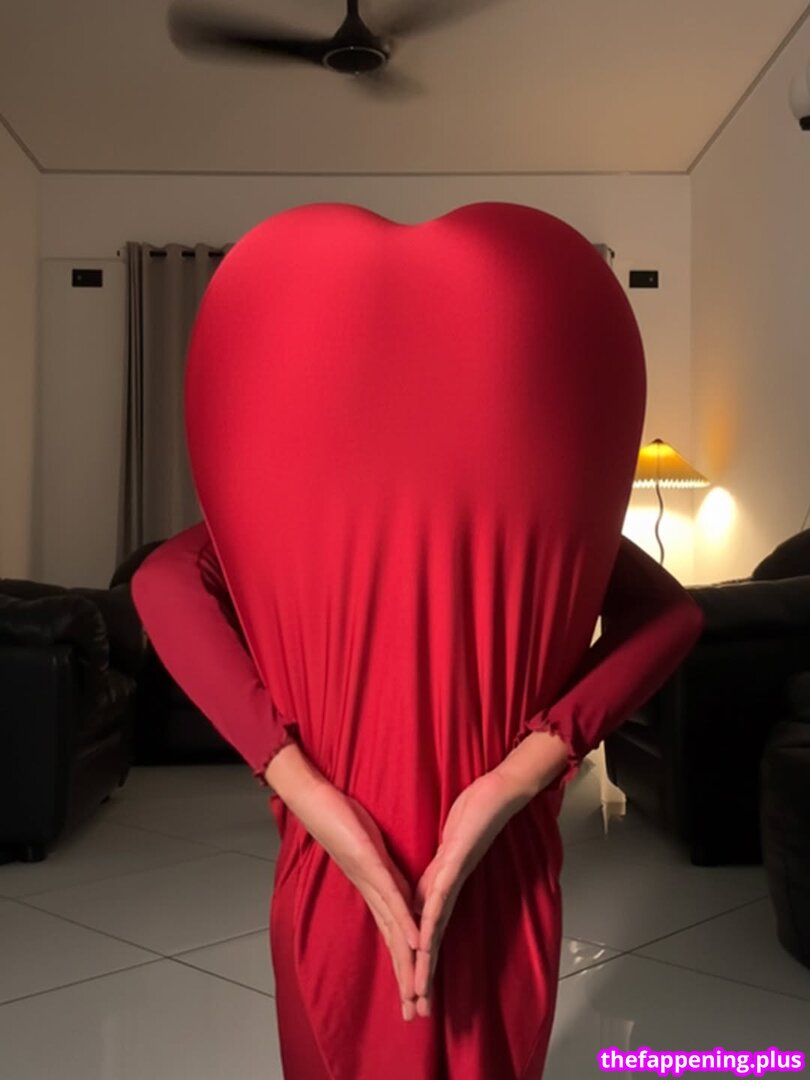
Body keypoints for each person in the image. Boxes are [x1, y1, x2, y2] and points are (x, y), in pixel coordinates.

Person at [131, 201, 705, 1079]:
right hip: (479, 861)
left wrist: (303, 788)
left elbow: (160, 583)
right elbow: (671, 615)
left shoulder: (297, 507)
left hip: (343, 864)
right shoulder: (533, 507)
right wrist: (521, 772)